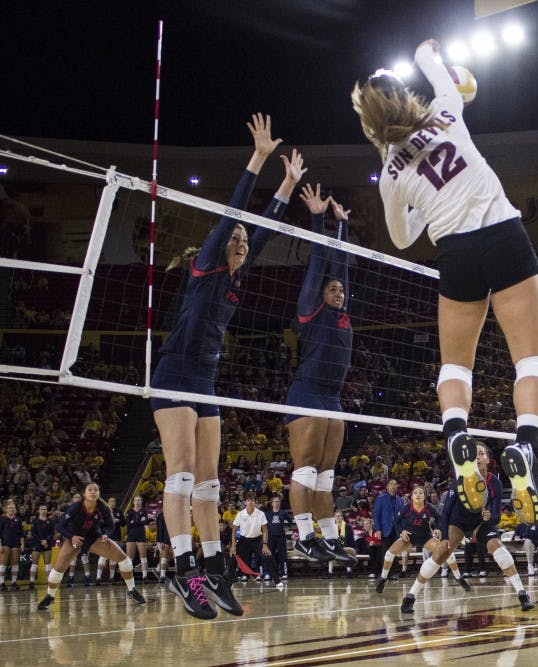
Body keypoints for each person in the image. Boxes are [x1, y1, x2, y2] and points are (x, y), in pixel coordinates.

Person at [353, 38, 538, 527]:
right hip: (503, 235)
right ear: (406, 96)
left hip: (455, 251)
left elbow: (400, 238)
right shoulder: (446, 108)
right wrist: (424, 53)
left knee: (455, 366)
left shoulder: (392, 174)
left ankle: (457, 435)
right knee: (530, 358)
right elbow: (431, 66)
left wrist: (418, 200)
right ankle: (525, 447)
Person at [150, 114, 303, 620]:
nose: (240, 240)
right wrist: (259, 160)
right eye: (234, 237)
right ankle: (183, 569)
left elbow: (263, 228)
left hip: (205, 380)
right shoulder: (209, 263)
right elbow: (234, 213)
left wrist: (285, 185)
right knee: (181, 474)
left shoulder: (240, 271)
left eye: (243, 240)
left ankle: (215, 569)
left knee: (210, 481)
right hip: (173, 374)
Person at [286, 183, 356, 567]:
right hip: (307, 393)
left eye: (341, 289)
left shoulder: (344, 310)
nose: (339, 291)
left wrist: (342, 226)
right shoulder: (312, 307)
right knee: (308, 467)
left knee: (327, 474)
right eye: (333, 289)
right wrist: (317, 218)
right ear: (320, 293)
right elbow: (320, 263)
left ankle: (329, 539)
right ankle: (303, 536)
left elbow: (342, 265)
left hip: (333, 396)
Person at [399, 443, 533, 613]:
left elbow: (496, 516)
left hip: (480, 523)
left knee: (497, 546)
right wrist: (445, 537)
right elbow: (446, 510)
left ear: (487, 459)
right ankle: (410, 597)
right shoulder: (460, 480)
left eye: (481, 453)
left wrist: (490, 516)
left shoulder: (496, 484)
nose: (477, 456)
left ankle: (522, 595)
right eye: (473, 454)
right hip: (459, 521)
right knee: (441, 552)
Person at [37, 483, 145, 611]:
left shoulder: (103, 508)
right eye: (90, 490)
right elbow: (60, 526)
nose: (93, 492)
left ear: (98, 493)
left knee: (125, 560)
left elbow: (111, 525)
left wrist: (106, 534)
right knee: (57, 570)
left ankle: (132, 589)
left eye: (96, 490)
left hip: (94, 538)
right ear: (84, 493)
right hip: (74, 538)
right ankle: (50, 595)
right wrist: (72, 537)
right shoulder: (75, 507)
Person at [374, 486, 470, 593]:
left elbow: (439, 518)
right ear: (411, 496)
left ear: (425, 496)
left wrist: (438, 528)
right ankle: (383, 579)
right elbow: (396, 521)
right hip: (409, 538)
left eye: (421, 493)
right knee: (388, 554)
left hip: (426, 537)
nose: (418, 495)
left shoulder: (429, 507)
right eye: (415, 493)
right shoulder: (407, 507)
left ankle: (459, 578)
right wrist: (402, 531)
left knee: (448, 553)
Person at [231, 494, 270, 583]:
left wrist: (265, 544)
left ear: (255, 502)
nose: (250, 502)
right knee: (239, 557)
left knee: (265, 556)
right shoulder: (240, 514)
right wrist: (233, 545)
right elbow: (234, 530)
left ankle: (265, 575)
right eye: (248, 500)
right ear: (245, 502)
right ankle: (241, 575)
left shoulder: (261, 514)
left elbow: (265, 530)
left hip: (257, 539)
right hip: (244, 539)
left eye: (252, 500)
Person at [372, 479, 405, 577]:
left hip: (396, 530)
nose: (393, 486)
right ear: (387, 487)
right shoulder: (380, 498)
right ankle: (384, 573)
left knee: (394, 552)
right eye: (391, 484)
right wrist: (377, 529)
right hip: (385, 529)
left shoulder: (400, 500)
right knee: (385, 552)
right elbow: (376, 515)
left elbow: (402, 516)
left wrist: (402, 529)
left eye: (395, 484)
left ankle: (393, 573)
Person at [263, 495, 292, 584]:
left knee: (282, 555)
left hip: (281, 536)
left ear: (280, 503)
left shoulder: (283, 513)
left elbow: (290, 522)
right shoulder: (267, 514)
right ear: (272, 503)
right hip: (270, 537)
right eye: (274, 501)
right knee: (269, 555)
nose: (276, 503)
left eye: (278, 501)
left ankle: (284, 573)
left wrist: (287, 527)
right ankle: (269, 573)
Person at [123, 496, 151, 583]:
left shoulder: (144, 511)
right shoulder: (129, 511)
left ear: (141, 502)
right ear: (133, 502)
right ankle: (130, 578)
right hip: (131, 535)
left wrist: (134, 521)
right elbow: (128, 523)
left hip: (141, 535)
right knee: (129, 558)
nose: (137, 501)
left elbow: (145, 521)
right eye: (135, 500)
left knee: (143, 557)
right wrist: (139, 521)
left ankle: (145, 576)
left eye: (139, 500)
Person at [29, 504, 55, 590]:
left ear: (46, 511)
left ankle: (50, 582)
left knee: (48, 564)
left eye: (45, 509)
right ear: (39, 511)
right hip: (37, 544)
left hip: (47, 544)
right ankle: (32, 582)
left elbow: (52, 533)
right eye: (42, 509)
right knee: (34, 564)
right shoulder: (35, 522)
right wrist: (41, 541)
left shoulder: (50, 521)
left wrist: (46, 541)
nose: (43, 510)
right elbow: (33, 533)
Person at [0, 500, 23, 590]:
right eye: (9, 508)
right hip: (5, 543)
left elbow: (21, 533)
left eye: (13, 508)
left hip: (16, 543)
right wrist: (0, 545)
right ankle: (2, 583)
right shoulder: (2, 519)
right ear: (6, 509)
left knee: (15, 562)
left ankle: (14, 582)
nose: (11, 509)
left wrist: (22, 544)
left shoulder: (18, 519)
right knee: (3, 563)